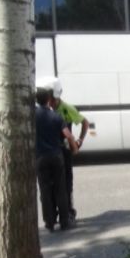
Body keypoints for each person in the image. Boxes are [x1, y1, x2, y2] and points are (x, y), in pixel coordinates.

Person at [36, 76, 89, 221]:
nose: (50, 102)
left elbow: (85, 123)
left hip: (64, 152)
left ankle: (69, 211)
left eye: (51, 98)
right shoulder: (42, 111)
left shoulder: (66, 109)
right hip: (50, 152)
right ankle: (52, 214)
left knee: (66, 183)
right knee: (49, 185)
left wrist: (80, 140)